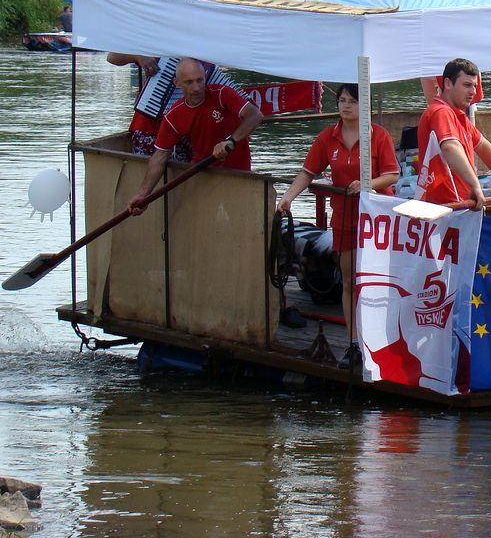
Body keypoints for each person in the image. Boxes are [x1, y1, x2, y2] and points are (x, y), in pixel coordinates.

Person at [277, 84, 400, 369]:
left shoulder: (377, 136)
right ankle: (354, 343)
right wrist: (287, 198)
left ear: (364, 106)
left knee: (377, 281)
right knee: (349, 281)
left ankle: (382, 340)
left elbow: (392, 174)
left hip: (376, 219)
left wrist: (368, 185)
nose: (346, 106)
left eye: (353, 101)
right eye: (342, 100)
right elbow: (308, 171)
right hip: (344, 218)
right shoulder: (328, 137)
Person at [127, 58, 263, 214]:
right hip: (204, 174)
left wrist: (231, 140)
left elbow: (255, 116)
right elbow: (159, 157)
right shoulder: (173, 116)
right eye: (189, 82)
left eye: (200, 80)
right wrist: (143, 195)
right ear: (177, 83)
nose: (197, 88)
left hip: (239, 174)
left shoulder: (222, 94)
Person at [416, 58, 491, 209]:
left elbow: (484, 146)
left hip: (462, 206)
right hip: (445, 210)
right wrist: (475, 185)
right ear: (447, 83)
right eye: (466, 85)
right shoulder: (441, 111)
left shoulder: (459, 116)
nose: (473, 91)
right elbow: (450, 147)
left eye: (475, 85)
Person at [107, 53, 244, 160]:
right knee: (147, 170)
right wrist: (139, 57)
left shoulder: (205, 62)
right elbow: (112, 57)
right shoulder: (161, 47)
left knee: (181, 181)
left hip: (185, 135)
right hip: (149, 127)